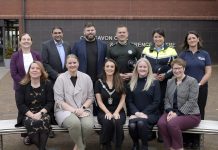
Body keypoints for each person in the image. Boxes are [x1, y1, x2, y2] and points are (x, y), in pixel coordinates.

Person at [141, 28, 177, 141]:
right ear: (153, 38)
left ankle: (162, 133)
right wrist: (150, 76)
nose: (158, 39)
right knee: (150, 104)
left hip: (165, 83)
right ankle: (150, 132)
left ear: (164, 38)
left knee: (162, 105)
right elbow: (142, 65)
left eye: (160, 36)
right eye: (156, 36)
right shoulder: (146, 50)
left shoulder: (171, 51)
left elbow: (174, 67)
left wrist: (165, 76)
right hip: (149, 82)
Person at [157, 58, 201, 150]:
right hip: (172, 112)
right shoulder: (170, 81)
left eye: (179, 68)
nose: (177, 71)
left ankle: (179, 148)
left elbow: (192, 101)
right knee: (161, 123)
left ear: (184, 69)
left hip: (191, 115)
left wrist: (176, 114)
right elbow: (167, 99)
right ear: (172, 70)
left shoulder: (192, 81)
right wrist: (169, 111)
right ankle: (170, 147)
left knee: (172, 124)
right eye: (174, 68)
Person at [53, 54, 94, 150]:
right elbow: (59, 100)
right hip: (64, 110)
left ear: (78, 64)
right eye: (69, 63)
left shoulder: (86, 78)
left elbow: (91, 97)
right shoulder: (60, 79)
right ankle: (80, 147)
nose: (72, 65)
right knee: (74, 123)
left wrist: (82, 109)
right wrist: (75, 111)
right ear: (66, 65)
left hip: (84, 108)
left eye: (74, 62)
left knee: (88, 126)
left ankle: (78, 144)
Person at [179, 31, 212, 148]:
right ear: (187, 41)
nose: (192, 40)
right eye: (189, 39)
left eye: (193, 38)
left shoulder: (205, 54)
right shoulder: (183, 55)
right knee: (185, 112)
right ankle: (186, 140)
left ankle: (196, 140)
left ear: (198, 39)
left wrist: (199, 84)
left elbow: (208, 72)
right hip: (186, 88)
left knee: (199, 112)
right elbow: (179, 71)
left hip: (201, 88)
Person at [15, 61, 54, 150]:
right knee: (32, 122)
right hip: (27, 114)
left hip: (43, 112)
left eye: (37, 68)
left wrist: (40, 113)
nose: (35, 70)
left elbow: (50, 102)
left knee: (44, 121)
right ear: (29, 71)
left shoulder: (47, 84)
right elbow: (20, 104)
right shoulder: (22, 85)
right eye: (32, 68)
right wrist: (32, 115)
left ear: (41, 71)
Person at [10, 33, 41, 145]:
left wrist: (34, 82)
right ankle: (27, 135)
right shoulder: (15, 56)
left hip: (36, 86)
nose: (26, 41)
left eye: (28, 39)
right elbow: (14, 73)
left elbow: (40, 69)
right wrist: (25, 83)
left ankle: (38, 131)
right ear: (20, 41)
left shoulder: (36, 54)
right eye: (24, 39)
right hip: (20, 87)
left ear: (31, 42)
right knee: (24, 110)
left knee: (36, 108)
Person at [71, 22, 107, 116]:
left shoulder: (103, 44)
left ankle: (99, 116)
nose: (90, 32)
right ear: (84, 32)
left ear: (95, 31)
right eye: (88, 30)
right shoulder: (77, 44)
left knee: (99, 97)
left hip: (98, 77)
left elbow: (106, 61)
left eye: (92, 30)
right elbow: (73, 60)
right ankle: (84, 114)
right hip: (82, 78)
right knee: (84, 98)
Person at [41, 26, 71, 137]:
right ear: (52, 34)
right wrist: (56, 75)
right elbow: (44, 62)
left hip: (66, 78)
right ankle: (50, 127)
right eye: (55, 33)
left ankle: (64, 121)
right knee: (52, 101)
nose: (57, 34)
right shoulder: (46, 45)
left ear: (62, 34)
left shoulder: (67, 45)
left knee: (65, 99)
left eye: (59, 33)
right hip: (52, 79)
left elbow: (69, 61)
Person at [126, 58, 161, 150]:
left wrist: (143, 113)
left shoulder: (155, 82)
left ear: (148, 68)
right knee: (133, 125)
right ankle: (135, 144)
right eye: (140, 66)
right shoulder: (131, 83)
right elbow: (129, 101)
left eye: (145, 67)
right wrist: (137, 113)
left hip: (151, 114)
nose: (142, 69)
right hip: (135, 113)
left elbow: (157, 101)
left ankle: (144, 145)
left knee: (141, 123)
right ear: (136, 68)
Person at [107, 25, 141, 116]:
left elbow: (141, 65)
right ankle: (116, 121)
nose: (122, 34)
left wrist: (132, 74)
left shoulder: (134, 48)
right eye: (120, 32)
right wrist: (117, 75)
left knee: (131, 103)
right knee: (116, 103)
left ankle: (132, 123)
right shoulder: (111, 49)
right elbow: (107, 66)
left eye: (123, 32)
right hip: (116, 80)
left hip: (132, 81)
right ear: (116, 35)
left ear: (127, 34)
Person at [95, 59, 126, 150]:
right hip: (103, 110)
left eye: (112, 66)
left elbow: (122, 100)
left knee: (117, 122)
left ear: (115, 68)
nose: (109, 68)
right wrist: (107, 112)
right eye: (107, 66)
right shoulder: (98, 82)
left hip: (118, 110)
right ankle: (105, 145)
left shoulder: (121, 81)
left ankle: (117, 146)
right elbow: (99, 101)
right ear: (104, 68)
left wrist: (116, 112)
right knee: (107, 121)